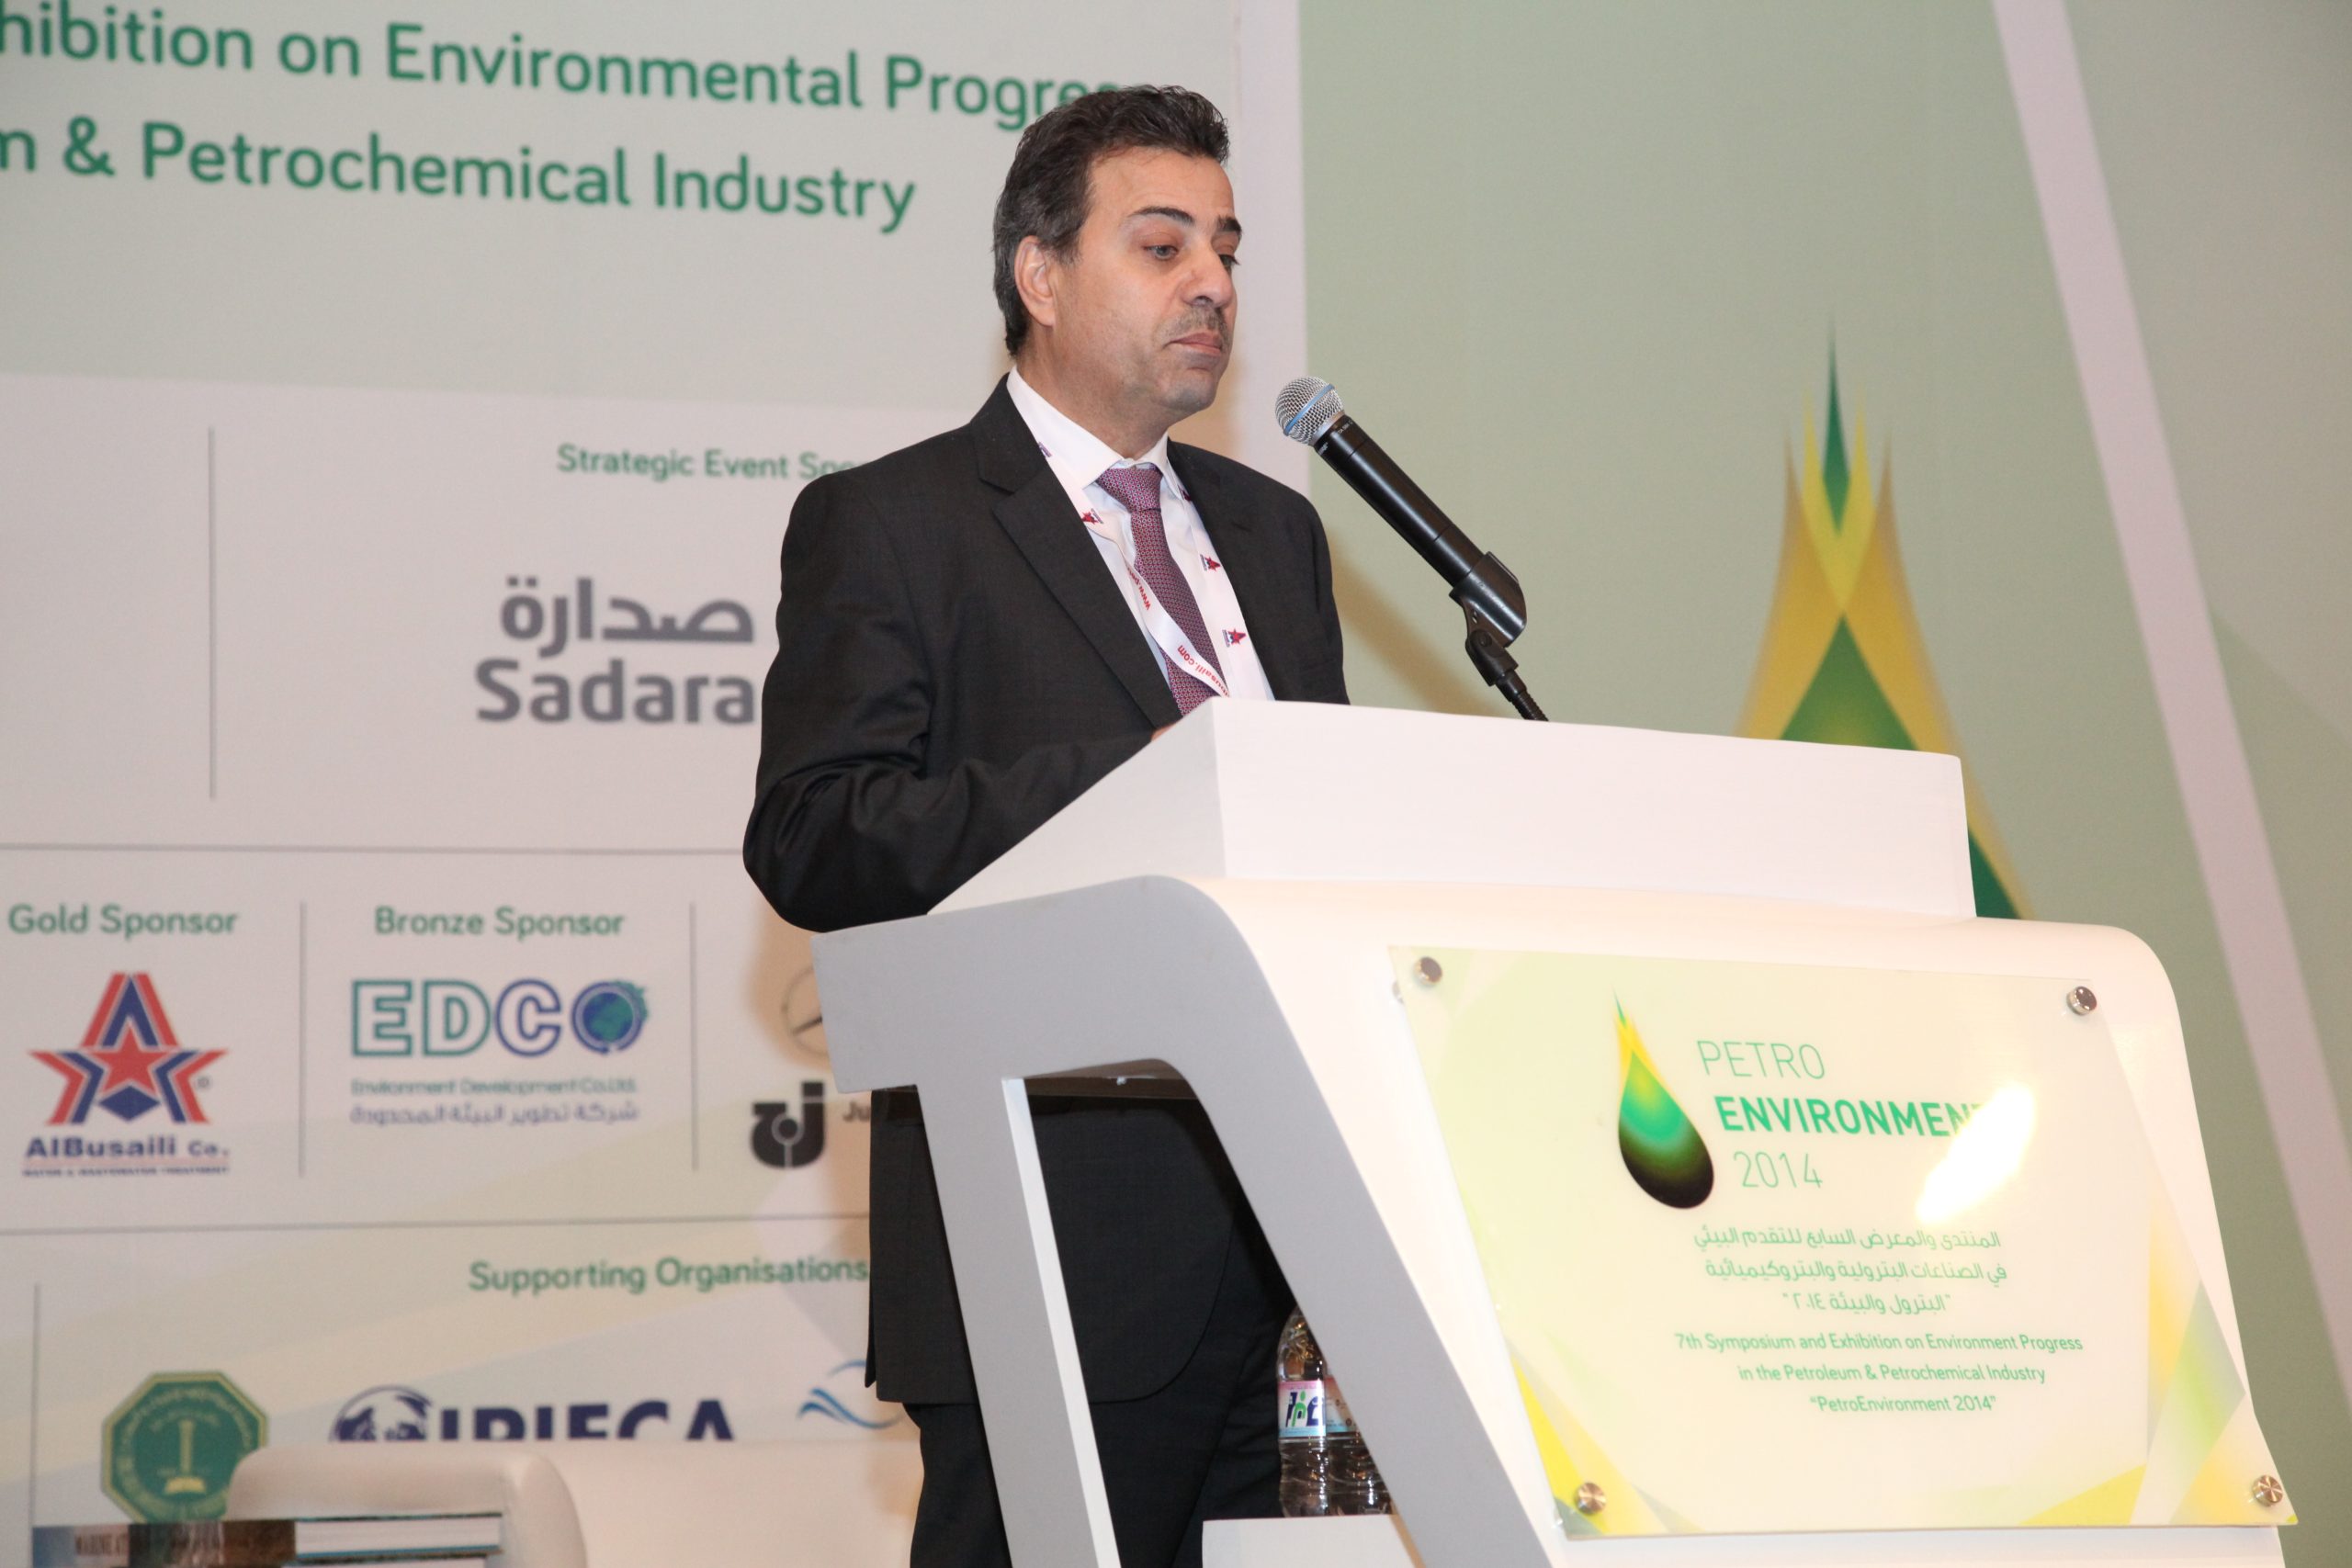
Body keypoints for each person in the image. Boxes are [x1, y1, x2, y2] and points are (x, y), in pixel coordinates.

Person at [743, 85, 1347, 1568]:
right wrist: (1143, 778)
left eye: (1227, 249)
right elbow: (817, 832)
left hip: (1312, 1263)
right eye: (1162, 245)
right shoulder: (898, 523)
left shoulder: (1274, 533)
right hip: (1058, 1246)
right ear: (1041, 275)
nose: (1211, 284)